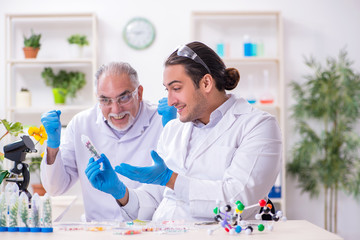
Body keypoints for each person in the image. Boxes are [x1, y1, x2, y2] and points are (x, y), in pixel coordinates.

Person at [85, 42, 282, 222]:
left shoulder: (258, 126)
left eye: (176, 88)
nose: (170, 101)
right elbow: (154, 200)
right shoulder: (174, 128)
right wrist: (120, 192)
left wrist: (170, 179)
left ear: (206, 83)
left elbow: (238, 199)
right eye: (167, 90)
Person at [40, 62, 176, 221]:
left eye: (123, 97)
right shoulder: (81, 124)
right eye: (105, 100)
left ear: (139, 93)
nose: (116, 110)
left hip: (148, 229)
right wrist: (52, 146)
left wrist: (174, 127)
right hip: (98, 229)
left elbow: (178, 184)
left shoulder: (162, 120)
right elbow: (54, 188)